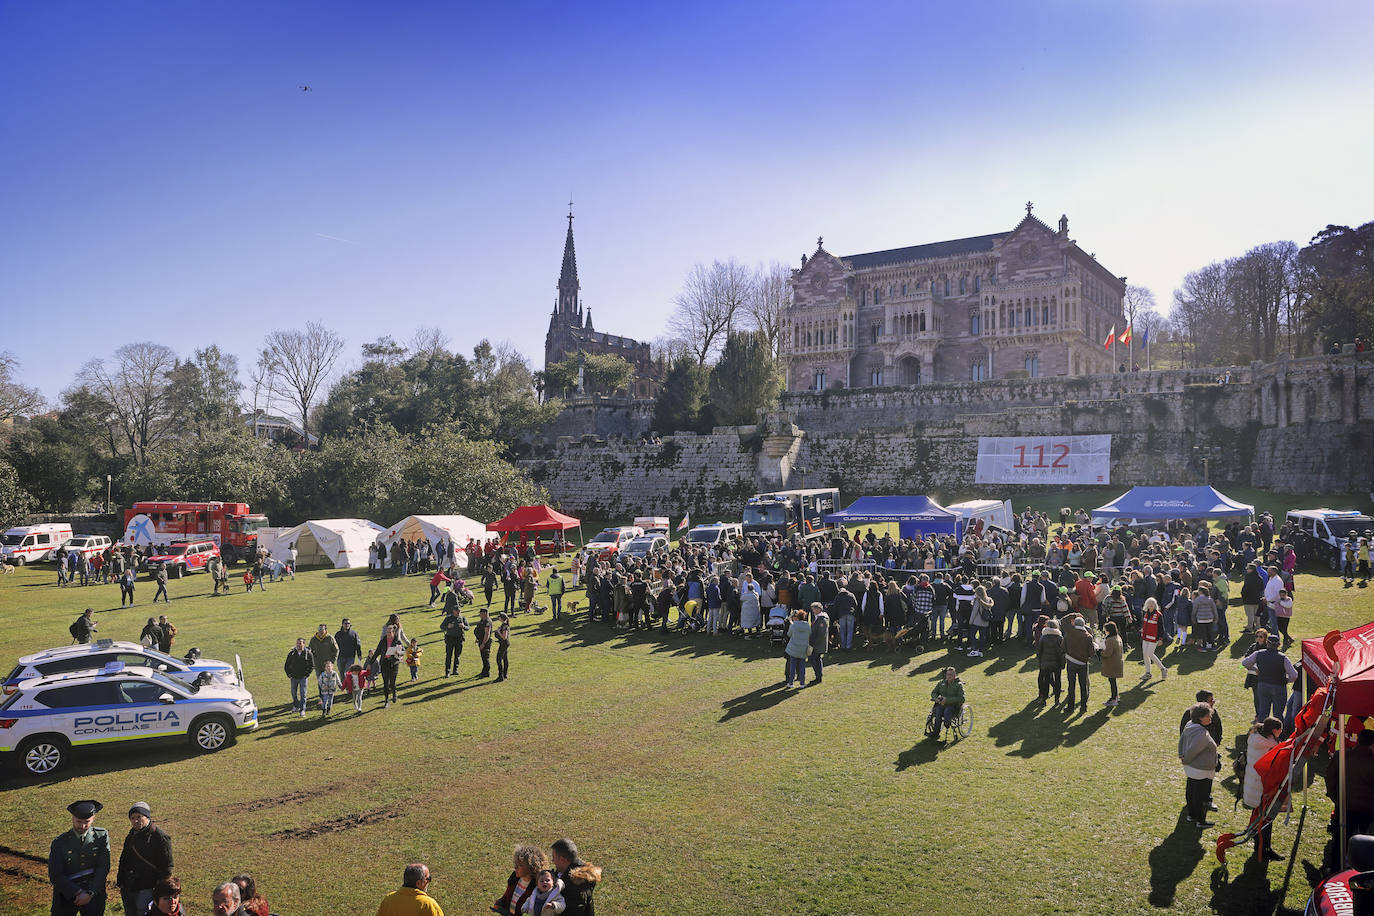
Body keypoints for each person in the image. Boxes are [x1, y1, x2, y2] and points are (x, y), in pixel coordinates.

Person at [49, 799, 110, 916]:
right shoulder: (60, 842)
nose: (82, 826)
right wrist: (77, 892)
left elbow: (103, 867)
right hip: (66, 894)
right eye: (78, 821)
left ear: (93, 819)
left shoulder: (101, 836)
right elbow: (55, 874)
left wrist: (90, 893)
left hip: (93, 895)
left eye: (87, 822)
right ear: (72, 818)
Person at [116, 801, 172, 916]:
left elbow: (167, 865)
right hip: (128, 885)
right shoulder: (131, 835)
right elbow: (124, 858)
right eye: (132, 818)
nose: (136, 820)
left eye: (139, 817)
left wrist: (161, 889)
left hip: (148, 886)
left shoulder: (160, 837)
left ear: (147, 817)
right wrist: (121, 880)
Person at [1244, 717, 1285, 861]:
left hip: (1255, 785)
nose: (1281, 732)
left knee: (1260, 817)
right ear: (1274, 730)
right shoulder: (1268, 746)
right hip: (1261, 787)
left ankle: (1261, 846)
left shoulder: (1257, 738)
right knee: (1265, 819)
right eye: (1280, 730)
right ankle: (1263, 849)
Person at [1179, 702, 1220, 827]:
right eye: (1208, 715)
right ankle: (1200, 820)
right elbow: (1193, 750)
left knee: (1192, 791)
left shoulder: (1189, 725)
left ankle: (1192, 815)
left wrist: (1182, 755)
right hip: (1200, 768)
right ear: (1201, 718)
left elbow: (1182, 741)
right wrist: (1186, 759)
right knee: (1200, 796)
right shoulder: (1201, 733)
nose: (1210, 718)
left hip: (1192, 767)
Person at [1243, 633, 1298, 722]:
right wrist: (1287, 680)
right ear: (1278, 645)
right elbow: (1294, 675)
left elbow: (1244, 663)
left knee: (1263, 713)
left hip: (1263, 685)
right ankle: (1278, 734)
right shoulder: (1283, 658)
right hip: (1279, 686)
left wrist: (1255, 670)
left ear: (1267, 643)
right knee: (1278, 714)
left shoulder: (1258, 654)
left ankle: (1262, 733)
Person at [549, 839, 600, 916]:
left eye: (554, 857)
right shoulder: (564, 871)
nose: (552, 861)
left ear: (562, 859)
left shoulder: (575, 887)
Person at [495, 845, 549, 916]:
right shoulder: (514, 878)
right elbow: (506, 896)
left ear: (531, 867)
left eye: (519, 865)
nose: (515, 867)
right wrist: (500, 902)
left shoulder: (537, 887)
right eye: (515, 864)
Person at [376, 863, 444, 916]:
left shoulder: (388, 900)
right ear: (418, 883)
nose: (429, 882)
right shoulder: (428, 905)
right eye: (428, 879)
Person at [1063, 614, 1094, 712]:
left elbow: (1062, 647)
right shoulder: (1088, 636)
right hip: (1083, 663)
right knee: (1083, 686)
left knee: (1071, 686)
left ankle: (1070, 707)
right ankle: (1083, 707)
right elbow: (1091, 653)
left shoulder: (1069, 633)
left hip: (1071, 662)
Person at [1036, 618, 1065, 706]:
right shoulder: (1059, 637)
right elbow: (1063, 651)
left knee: (1046, 681)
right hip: (1057, 663)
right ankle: (1057, 700)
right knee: (1057, 680)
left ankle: (1044, 699)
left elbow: (1039, 651)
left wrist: (1041, 661)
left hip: (1045, 663)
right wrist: (1063, 663)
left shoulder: (1043, 637)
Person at [929, 666, 965, 736]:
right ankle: (936, 733)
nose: (949, 676)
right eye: (948, 674)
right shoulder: (941, 683)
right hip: (941, 704)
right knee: (938, 712)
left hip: (954, 706)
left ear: (955, 676)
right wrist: (936, 698)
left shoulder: (958, 685)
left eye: (951, 674)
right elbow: (934, 692)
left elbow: (962, 698)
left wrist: (947, 700)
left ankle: (947, 724)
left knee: (947, 711)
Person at [283, 638, 314, 718]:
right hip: (294, 677)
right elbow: (286, 665)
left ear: (304, 644)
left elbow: (312, 665)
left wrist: (307, 675)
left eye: (300, 643)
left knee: (303, 694)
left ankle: (302, 710)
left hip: (303, 678)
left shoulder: (308, 653)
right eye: (297, 643)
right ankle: (296, 706)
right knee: (293, 693)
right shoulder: (292, 653)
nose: (298, 645)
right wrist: (289, 674)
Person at [376, 624, 405, 708]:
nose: (388, 634)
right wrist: (369, 664)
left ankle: (394, 693)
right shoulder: (383, 641)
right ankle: (386, 700)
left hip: (394, 664)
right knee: (386, 683)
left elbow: (403, 651)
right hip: (384, 663)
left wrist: (398, 653)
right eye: (387, 632)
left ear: (393, 632)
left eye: (389, 632)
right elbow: (377, 652)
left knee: (392, 683)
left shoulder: (397, 641)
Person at [1139, 597, 1168, 682]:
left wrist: (1160, 639)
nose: (1151, 605)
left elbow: (1161, 628)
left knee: (1150, 653)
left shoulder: (1159, 615)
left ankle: (1163, 669)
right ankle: (1148, 673)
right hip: (1145, 637)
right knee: (1145, 654)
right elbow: (1143, 624)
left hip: (1154, 638)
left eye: (1153, 604)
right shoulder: (1145, 613)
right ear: (1147, 605)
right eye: (1149, 603)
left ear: (1155, 605)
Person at [782, 608, 811, 688]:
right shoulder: (807, 626)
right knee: (802, 666)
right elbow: (809, 634)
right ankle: (802, 683)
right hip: (803, 649)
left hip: (793, 648)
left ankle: (790, 683)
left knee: (792, 666)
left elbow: (789, 634)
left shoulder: (793, 625)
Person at [1100, 620, 1124, 707]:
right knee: (1113, 681)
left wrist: (1100, 651)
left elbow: (1107, 653)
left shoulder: (1110, 640)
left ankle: (1114, 699)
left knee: (1112, 682)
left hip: (1112, 664)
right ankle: (1116, 696)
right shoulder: (1117, 637)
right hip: (1117, 662)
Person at [440, 606, 468, 676]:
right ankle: (447, 671)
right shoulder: (448, 618)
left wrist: (464, 627)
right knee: (449, 655)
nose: (459, 612)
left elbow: (468, 627)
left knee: (457, 655)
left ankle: (455, 670)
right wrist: (447, 627)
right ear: (453, 611)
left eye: (459, 611)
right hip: (450, 639)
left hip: (459, 639)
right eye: (457, 611)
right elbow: (442, 627)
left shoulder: (462, 618)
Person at [808, 601, 829, 685]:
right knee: (816, 659)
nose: (813, 611)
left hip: (818, 643)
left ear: (819, 609)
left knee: (813, 659)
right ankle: (818, 676)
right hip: (816, 643)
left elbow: (821, 633)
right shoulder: (817, 617)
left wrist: (813, 642)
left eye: (814, 609)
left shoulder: (822, 619)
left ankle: (818, 676)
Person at [475, 609, 493, 678]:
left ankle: (486, 672)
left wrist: (483, 643)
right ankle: (484, 671)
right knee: (483, 657)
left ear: (485, 613)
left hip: (485, 642)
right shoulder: (483, 621)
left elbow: (487, 633)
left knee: (485, 657)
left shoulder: (487, 622)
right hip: (481, 640)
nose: (480, 615)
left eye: (481, 613)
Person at [495, 613, 511, 682]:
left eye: (499, 617)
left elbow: (504, 637)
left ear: (501, 618)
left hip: (504, 644)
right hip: (504, 644)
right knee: (505, 658)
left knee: (499, 659)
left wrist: (498, 632)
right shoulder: (504, 625)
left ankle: (500, 676)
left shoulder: (504, 626)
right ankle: (505, 674)